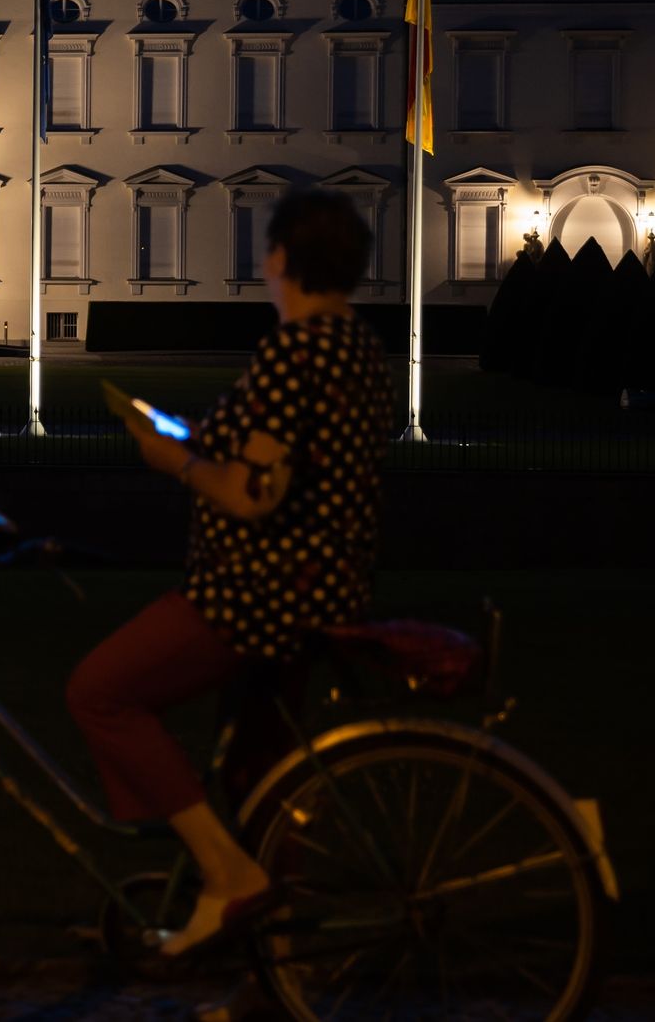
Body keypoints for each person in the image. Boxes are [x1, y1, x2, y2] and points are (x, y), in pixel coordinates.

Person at [66, 189, 391, 969]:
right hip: (328, 582)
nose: (264, 262)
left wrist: (172, 457)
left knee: (100, 691)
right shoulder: (359, 349)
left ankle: (224, 872)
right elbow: (286, 455)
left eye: (270, 249)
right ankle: (275, 988)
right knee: (264, 785)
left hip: (259, 589)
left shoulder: (296, 349)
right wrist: (198, 432)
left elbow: (254, 493)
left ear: (284, 259)